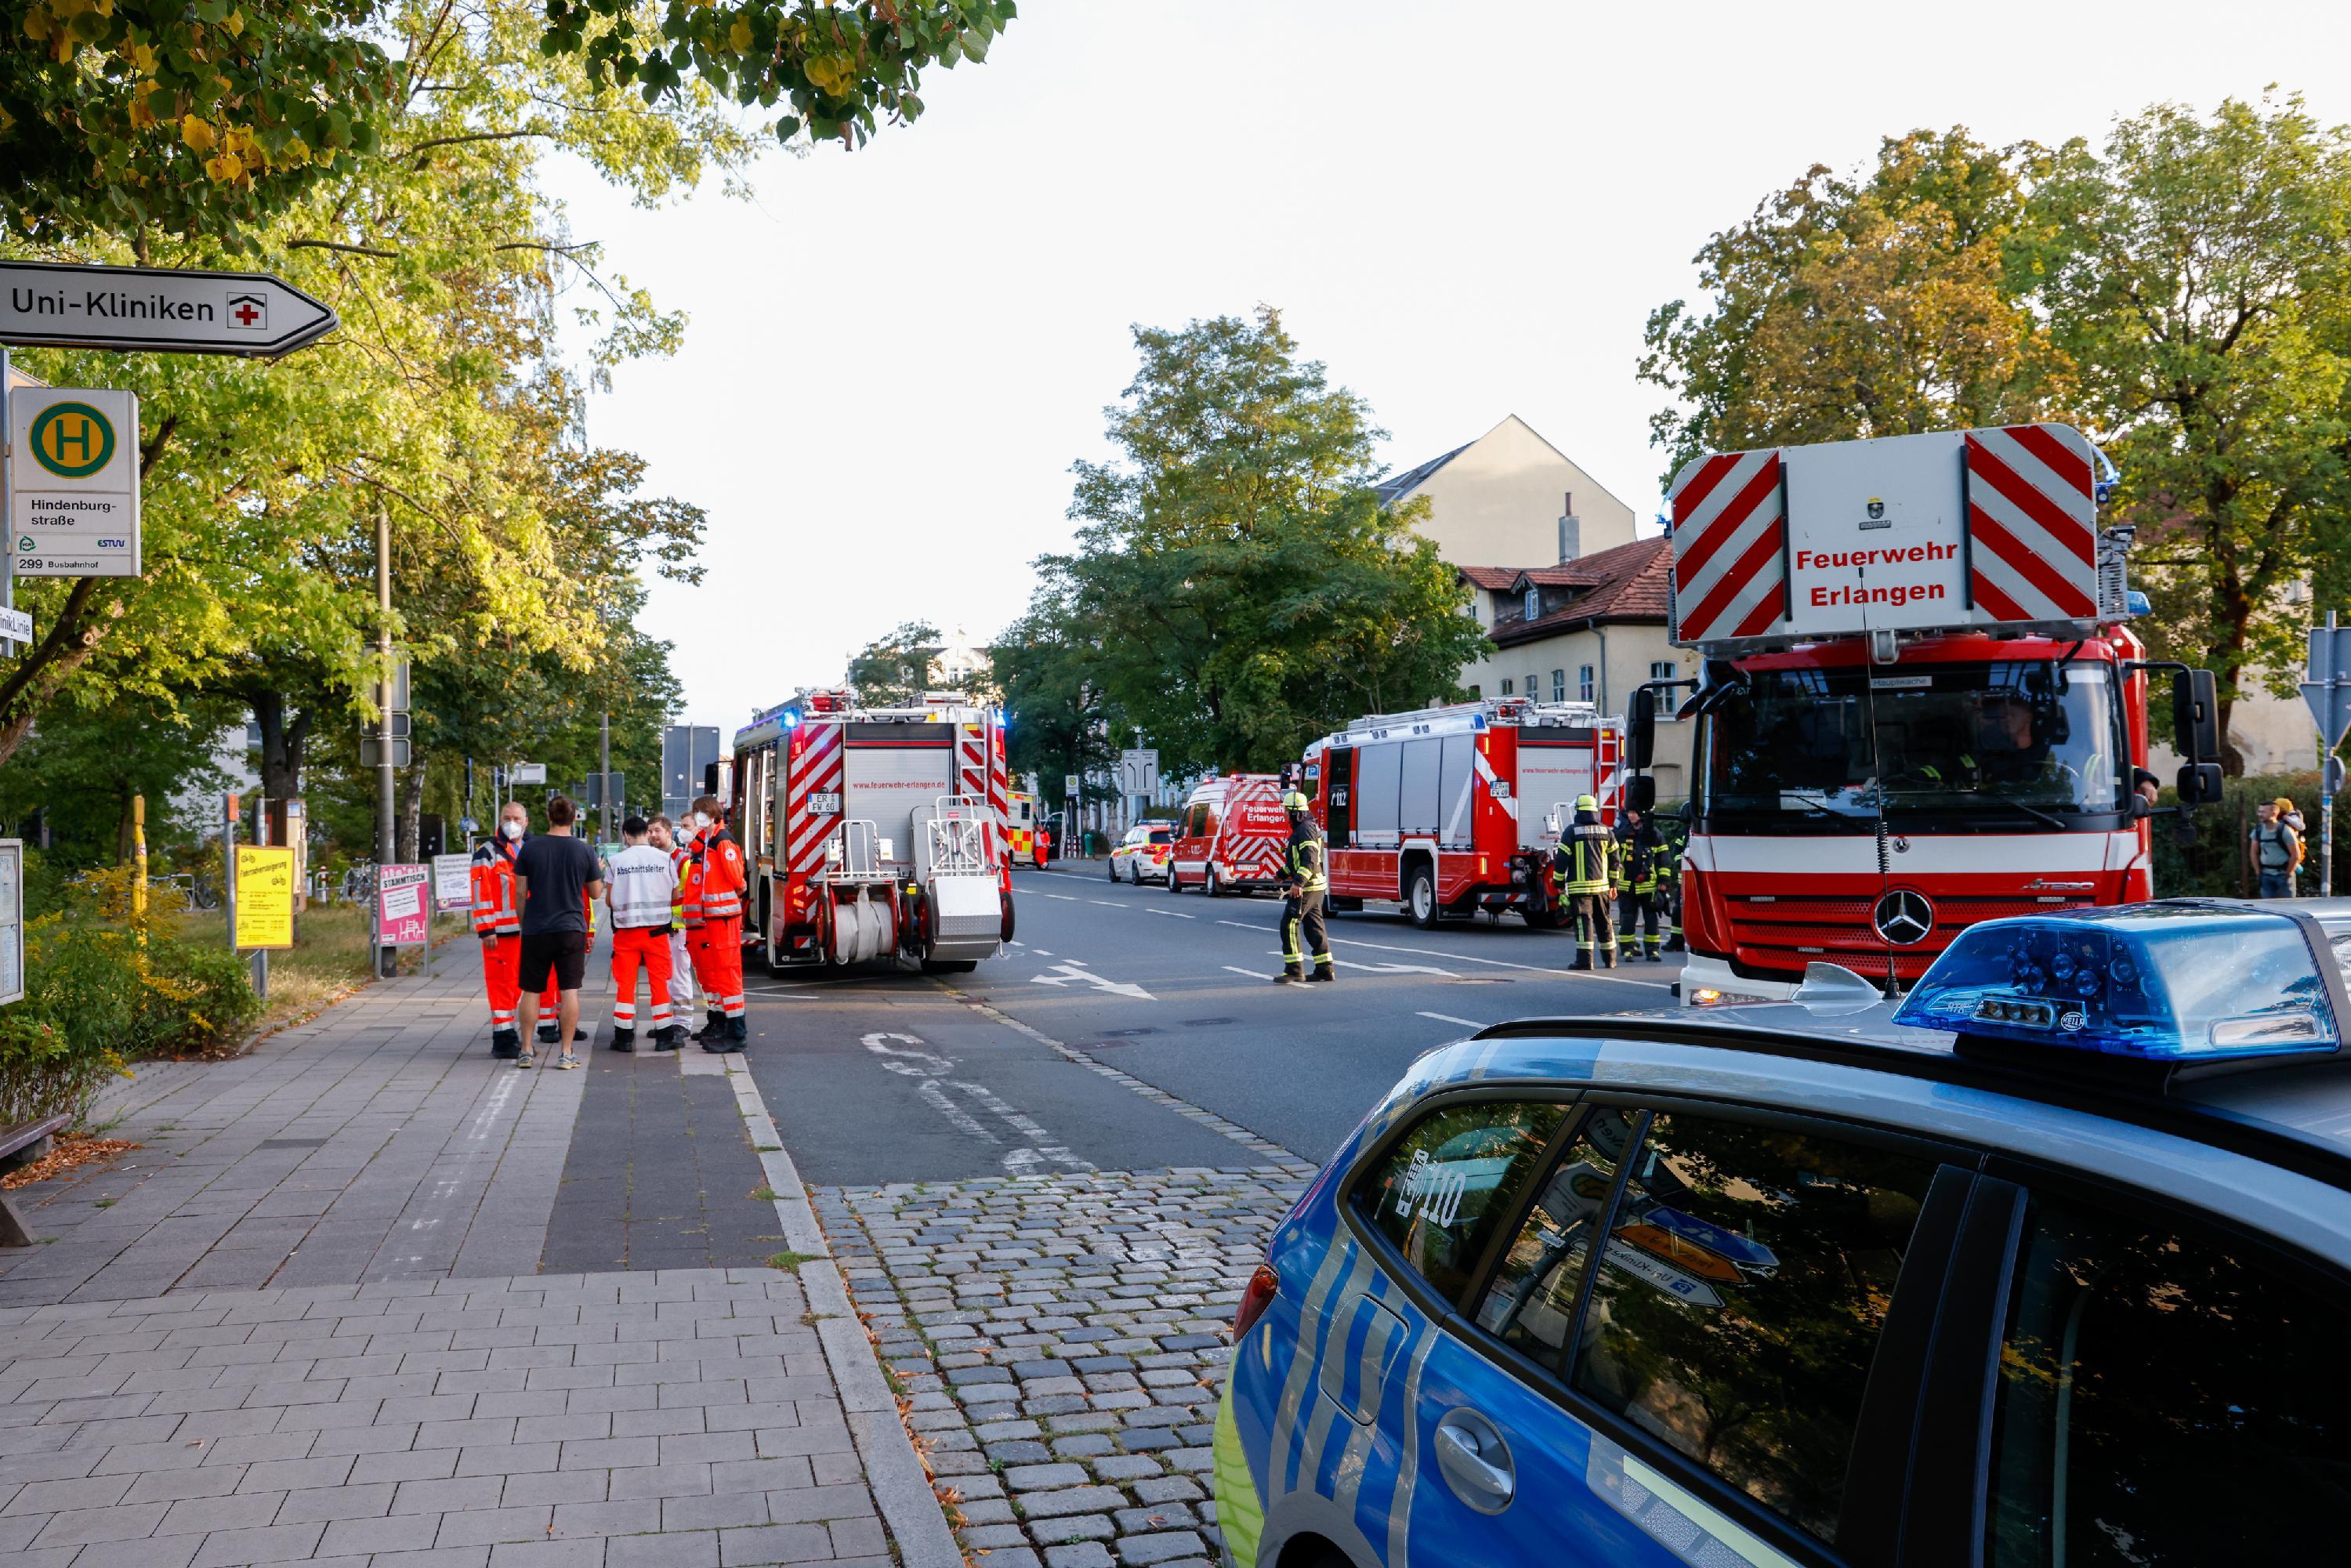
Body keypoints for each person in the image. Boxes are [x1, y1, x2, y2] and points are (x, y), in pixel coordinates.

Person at [513, 794, 605, 1070]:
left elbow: (519, 891)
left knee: (531, 990)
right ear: (574, 817)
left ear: (548, 816)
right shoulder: (584, 850)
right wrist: (597, 871)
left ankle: (527, 1049)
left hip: (536, 928)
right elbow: (596, 893)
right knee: (569, 990)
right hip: (571, 928)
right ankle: (566, 1052)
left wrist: (524, 921)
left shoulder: (530, 849)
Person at [604, 815, 680, 1053]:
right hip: (657, 933)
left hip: (626, 935)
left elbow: (608, 900)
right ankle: (665, 1037)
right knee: (660, 983)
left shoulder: (616, 861)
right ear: (647, 833)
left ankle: (624, 1038)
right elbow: (675, 895)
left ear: (626, 835)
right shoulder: (665, 859)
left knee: (625, 985)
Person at [684, 793, 748, 1052]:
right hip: (714, 918)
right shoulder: (710, 840)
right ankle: (727, 1027)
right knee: (720, 975)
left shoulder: (723, 842)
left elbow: (736, 878)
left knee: (728, 975)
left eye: (699, 813)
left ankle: (736, 1033)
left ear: (710, 814)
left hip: (723, 919)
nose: (696, 817)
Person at [469, 801, 530, 1059]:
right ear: (499, 820)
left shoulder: (528, 849)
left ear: (526, 822)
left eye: (516, 818)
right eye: (507, 817)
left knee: (517, 985)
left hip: (524, 931)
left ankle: (509, 1032)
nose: (512, 823)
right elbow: (480, 894)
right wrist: (486, 929)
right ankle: (503, 1038)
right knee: (501, 984)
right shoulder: (487, 853)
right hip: (499, 933)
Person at [1552, 793, 1617, 969]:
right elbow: (1615, 860)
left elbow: (1562, 860)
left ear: (1579, 811)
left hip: (1579, 888)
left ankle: (1585, 961)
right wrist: (1614, 885)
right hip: (1603, 888)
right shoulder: (1607, 831)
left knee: (1584, 924)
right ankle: (1610, 960)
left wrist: (1558, 884)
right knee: (1605, 922)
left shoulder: (1571, 831)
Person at [1274, 789, 1333, 984]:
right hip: (1315, 887)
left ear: (1295, 812)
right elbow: (1297, 860)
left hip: (1307, 888)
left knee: (1289, 925)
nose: (1284, 814)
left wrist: (1298, 883)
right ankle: (1325, 970)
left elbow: (1309, 859)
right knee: (1314, 928)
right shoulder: (1303, 828)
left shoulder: (1305, 829)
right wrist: (1282, 874)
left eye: (1286, 811)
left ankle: (1294, 970)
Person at [649, 815, 697, 1023]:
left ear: (669, 833)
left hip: (677, 929)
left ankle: (683, 1023)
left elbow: (685, 895)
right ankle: (666, 1023)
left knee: (679, 977)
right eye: (650, 831)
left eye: (657, 831)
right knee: (663, 978)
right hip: (659, 928)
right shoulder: (651, 858)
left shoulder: (682, 860)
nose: (653, 835)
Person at [1615, 807, 1664, 961]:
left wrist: (1663, 882)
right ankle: (1628, 949)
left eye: (1634, 812)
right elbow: (1612, 855)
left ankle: (1652, 951)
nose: (1631, 816)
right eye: (1629, 813)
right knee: (1628, 918)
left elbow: (1663, 858)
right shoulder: (1622, 834)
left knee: (1651, 919)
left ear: (1642, 815)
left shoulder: (1654, 834)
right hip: (1627, 885)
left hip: (1648, 886)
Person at [2251, 799, 2303, 899]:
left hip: (2283, 875)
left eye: (2263, 812)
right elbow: (2253, 853)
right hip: (2266, 876)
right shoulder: (2258, 830)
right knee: (2268, 910)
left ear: (2274, 813)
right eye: (2259, 811)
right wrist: (2258, 872)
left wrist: (2287, 874)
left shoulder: (2285, 831)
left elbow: (2296, 855)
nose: (2260, 814)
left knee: (2288, 909)